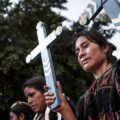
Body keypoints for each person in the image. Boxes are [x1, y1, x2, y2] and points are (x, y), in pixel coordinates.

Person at [44, 29, 120, 120]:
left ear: (104, 47)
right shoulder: (84, 100)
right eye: (77, 52)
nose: (80, 54)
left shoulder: (118, 73)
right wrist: (64, 108)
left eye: (85, 46)